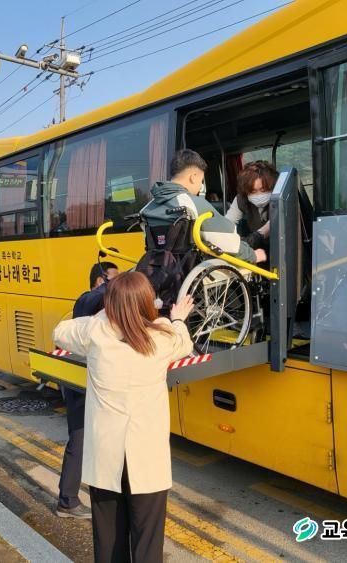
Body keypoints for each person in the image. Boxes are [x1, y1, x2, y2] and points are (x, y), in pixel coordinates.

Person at [53, 272, 195, 562]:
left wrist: (106, 313)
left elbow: (60, 331)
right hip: (147, 460)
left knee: (108, 543)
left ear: (110, 305)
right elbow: (184, 341)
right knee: (147, 544)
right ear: (148, 302)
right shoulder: (162, 338)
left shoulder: (96, 332)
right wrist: (177, 318)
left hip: (106, 459)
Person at [56, 261, 119, 519]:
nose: (117, 285)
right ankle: (67, 501)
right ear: (100, 281)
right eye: (113, 279)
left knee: (93, 439)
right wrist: (114, 287)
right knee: (79, 439)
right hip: (79, 380)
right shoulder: (87, 299)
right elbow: (95, 299)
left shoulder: (101, 303)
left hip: (88, 378)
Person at [141, 148, 266, 264]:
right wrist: (253, 255)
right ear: (193, 177)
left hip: (159, 268)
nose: (200, 186)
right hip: (192, 270)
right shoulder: (192, 204)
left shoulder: (148, 207)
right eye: (201, 181)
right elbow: (229, 243)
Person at [225, 160, 279, 251]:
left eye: (263, 190)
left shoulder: (280, 198)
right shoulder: (241, 199)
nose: (258, 195)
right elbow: (227, 223)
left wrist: (256, 236)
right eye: (253, 191)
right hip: (257, 248)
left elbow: (271, 226)